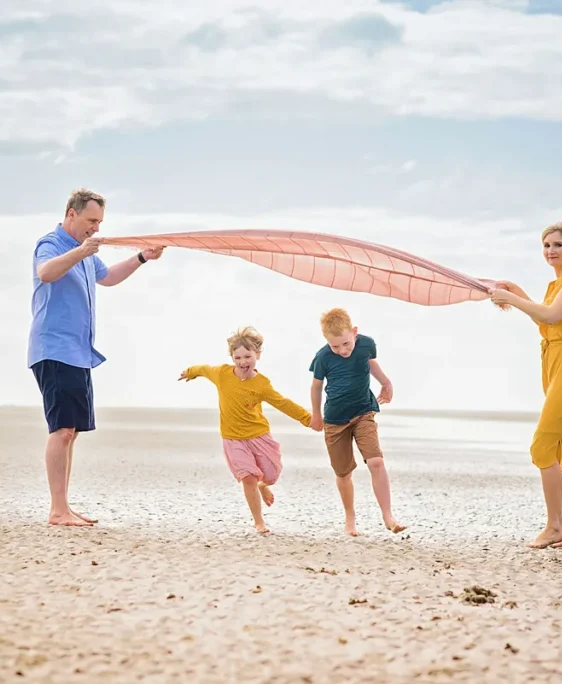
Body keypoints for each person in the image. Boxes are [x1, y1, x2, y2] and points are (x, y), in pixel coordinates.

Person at [28, 187, 164, 527]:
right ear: (71, 215)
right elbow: (45, 273)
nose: (96, 229)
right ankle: (57, 510)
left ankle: (64, 507)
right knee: (60, 430)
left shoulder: (86, 252)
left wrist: (142, 257)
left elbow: (108, 278)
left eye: (100, 222)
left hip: (78, 351)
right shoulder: (51, 243)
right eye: (91, 221)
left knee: (70, 431)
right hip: (53, 347)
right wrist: (80, 252)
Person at [489, 222, 562, 549]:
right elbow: (545, 317)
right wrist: (518, 294)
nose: (550, 251)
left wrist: (511, 297)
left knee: (543, 444)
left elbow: (551, 316)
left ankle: (555, 527)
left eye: (557, 245)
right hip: (555, 360)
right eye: (546, 245)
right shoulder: (559, 283)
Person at [178, 326, 320, 534]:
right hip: (233, 439)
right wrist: (190, 372)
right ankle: (259, 521)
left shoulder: (262, 385)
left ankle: (264, 486)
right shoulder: (222, 374)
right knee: (248, 477)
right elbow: (204, 369)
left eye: (248, 356)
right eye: (238, 357)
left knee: (271, 474)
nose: (243, 362)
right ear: (232, 357)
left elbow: (283, 403)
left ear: (257, 355)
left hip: (258, 435)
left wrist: (308, 419)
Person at [308, 308, 407, 537]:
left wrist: (386, 382)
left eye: (346, 344)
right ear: (326, 342)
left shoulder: (366, 345)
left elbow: (370, 363)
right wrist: (316, 414)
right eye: (335, 346)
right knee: (343, 474)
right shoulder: (323, 357)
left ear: (354, 332)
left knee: (376, 461)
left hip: (364, 412)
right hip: (334, 420)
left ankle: (388, 515)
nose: (342, 350)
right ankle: (350, 519)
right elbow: (316, 386)